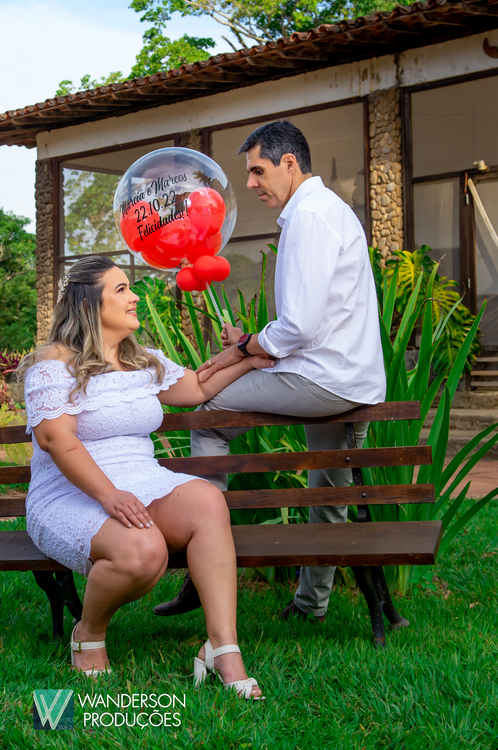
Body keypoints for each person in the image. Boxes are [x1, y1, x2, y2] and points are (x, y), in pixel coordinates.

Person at [153, 119, 386, 623]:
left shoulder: (309, 217)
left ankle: (199, 569)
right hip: (349, 379)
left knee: (209, 417)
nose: (251, 182)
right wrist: (251, 346)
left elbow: (298, 325)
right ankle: (310, 605)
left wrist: (246, 347)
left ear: (289, 163)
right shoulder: (328, 210)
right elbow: (313, 320)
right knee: (329, 490)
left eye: (258, 171)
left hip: (322, 379)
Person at [19, 255, 272, 698]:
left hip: (143, 481)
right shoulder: (53, 364)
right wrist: (109, 495)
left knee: (207, 500)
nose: (134, 296)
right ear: (88, 303)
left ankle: (223, 648)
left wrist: (246, 357)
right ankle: (88, 633)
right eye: (121, 289)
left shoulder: (140, 360)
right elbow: (56, 440)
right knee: (143, 552)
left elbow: (197, 387)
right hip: (69, 493)